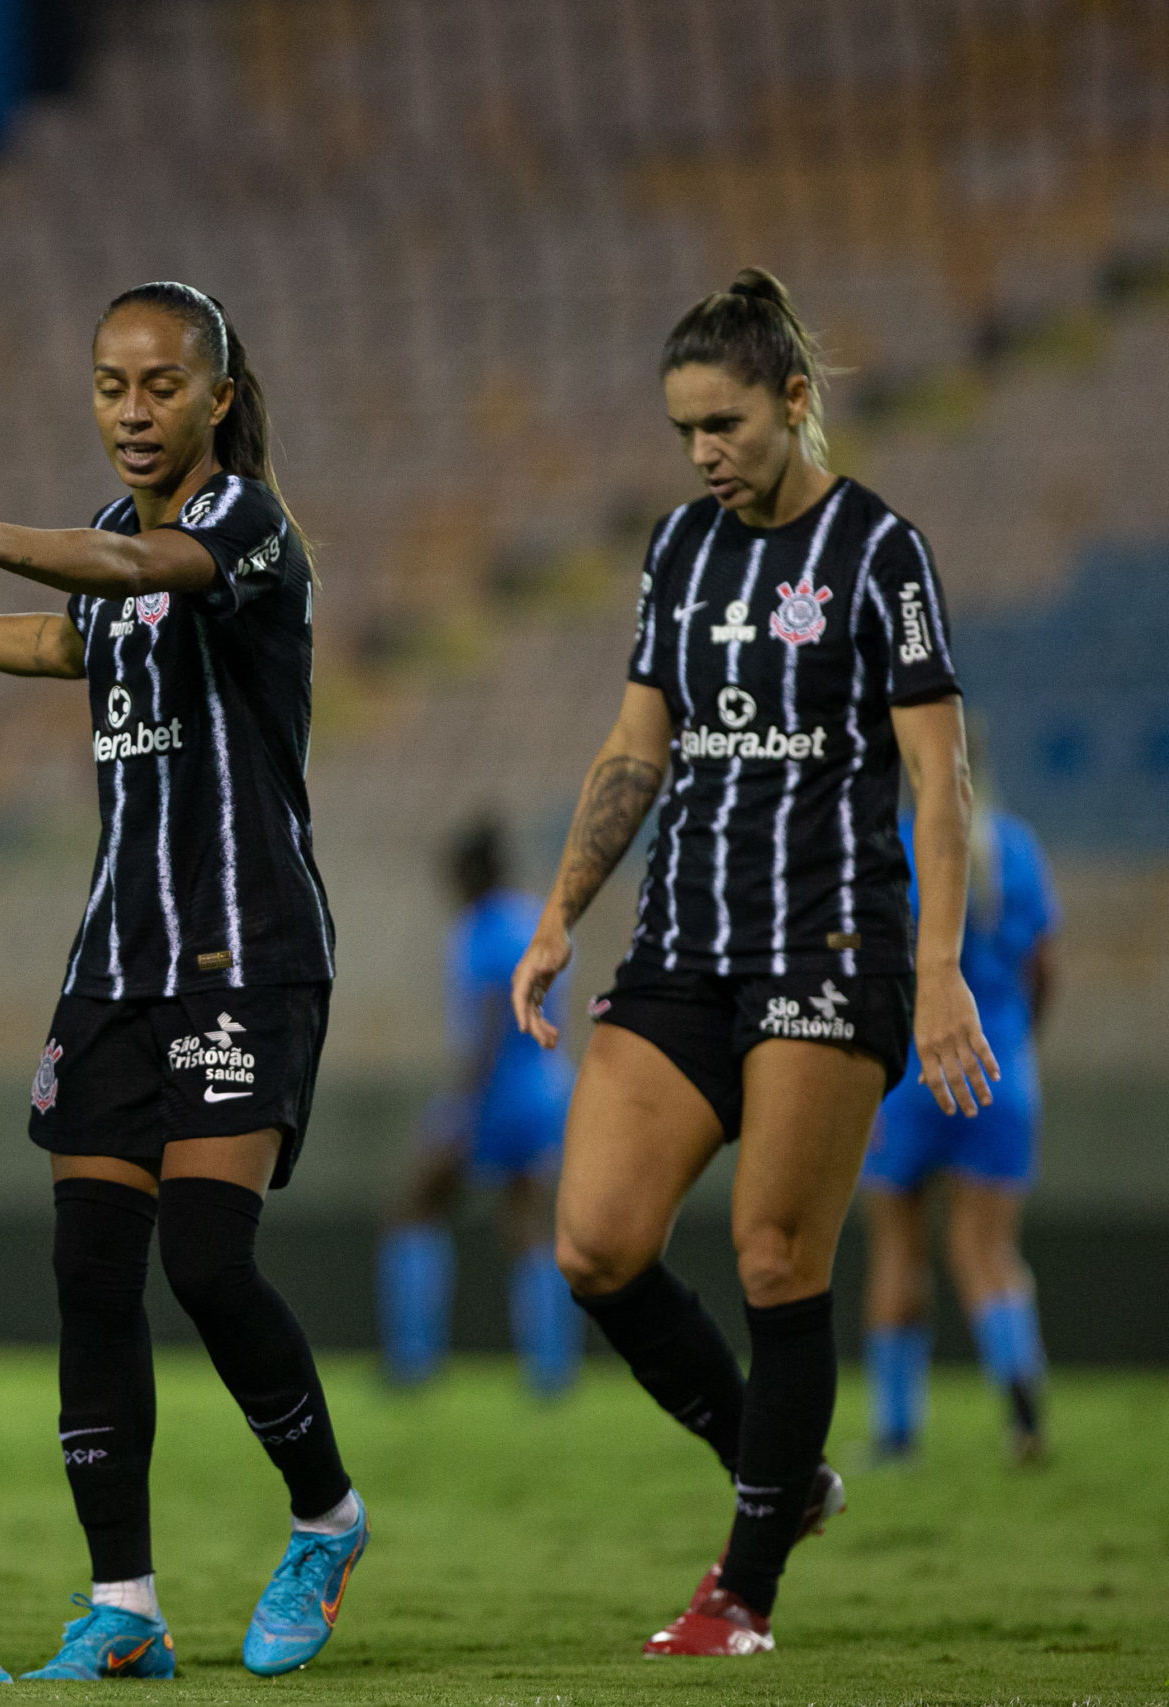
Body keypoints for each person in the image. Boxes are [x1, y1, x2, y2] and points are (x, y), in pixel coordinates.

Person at [0, 281, 366, 1681]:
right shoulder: (99, 548)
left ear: (215, 395)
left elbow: (140, 581)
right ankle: (125, 1602)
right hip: (118, 961)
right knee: (91, 1270)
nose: (132, 412)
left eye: (158, 386)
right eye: (109, 386)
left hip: (249, 949)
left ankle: (326, 1514)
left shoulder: (243, 525)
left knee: (204, 1253)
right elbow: (59, 640)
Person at [507, 269, 996, 1657]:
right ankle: (784, 1473)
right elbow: (635, 750)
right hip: (687, 940)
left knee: (776, 1255)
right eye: (683, 433)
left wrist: (942, 967)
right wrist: (560, 912)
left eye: (723, 423)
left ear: (796, 402)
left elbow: (938, 779)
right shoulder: (678, 549)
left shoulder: (881, 551)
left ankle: (745, 1587)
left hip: (831, 944)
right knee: (596, 1243)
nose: (704, 453)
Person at [861, 766, 1059, 1465]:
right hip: (998, 1068)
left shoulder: (897, 845)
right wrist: (1016, 1043)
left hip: (909, 1075)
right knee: (986, 1251)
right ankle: (1022, 1401)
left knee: (897, 1250)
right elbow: (1043, 967)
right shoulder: (1018, 848)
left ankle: (896, 1430)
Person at [377, 817, 580, 1394]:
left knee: (413, 1208)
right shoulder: (534, 919)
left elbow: (492, 1023)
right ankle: (550, 1371)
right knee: (527, 1225)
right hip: (545, 1089)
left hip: (497, 1094)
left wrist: (462, 1109)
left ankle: (412, 1363)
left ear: (468, 873)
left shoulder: (480, 931)